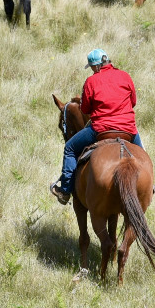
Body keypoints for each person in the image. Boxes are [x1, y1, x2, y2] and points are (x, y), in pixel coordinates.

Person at [50, 49, 143, 204]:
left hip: (101, 129)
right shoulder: (125, 76)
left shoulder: (91, 81)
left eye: (92, 67)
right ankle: (150, 186)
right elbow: (133, 101)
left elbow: (85, 109)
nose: (92, 70)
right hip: (128, 129)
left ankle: (65, 190)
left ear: (97, 66)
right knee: (141, 154)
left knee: (70, 148)